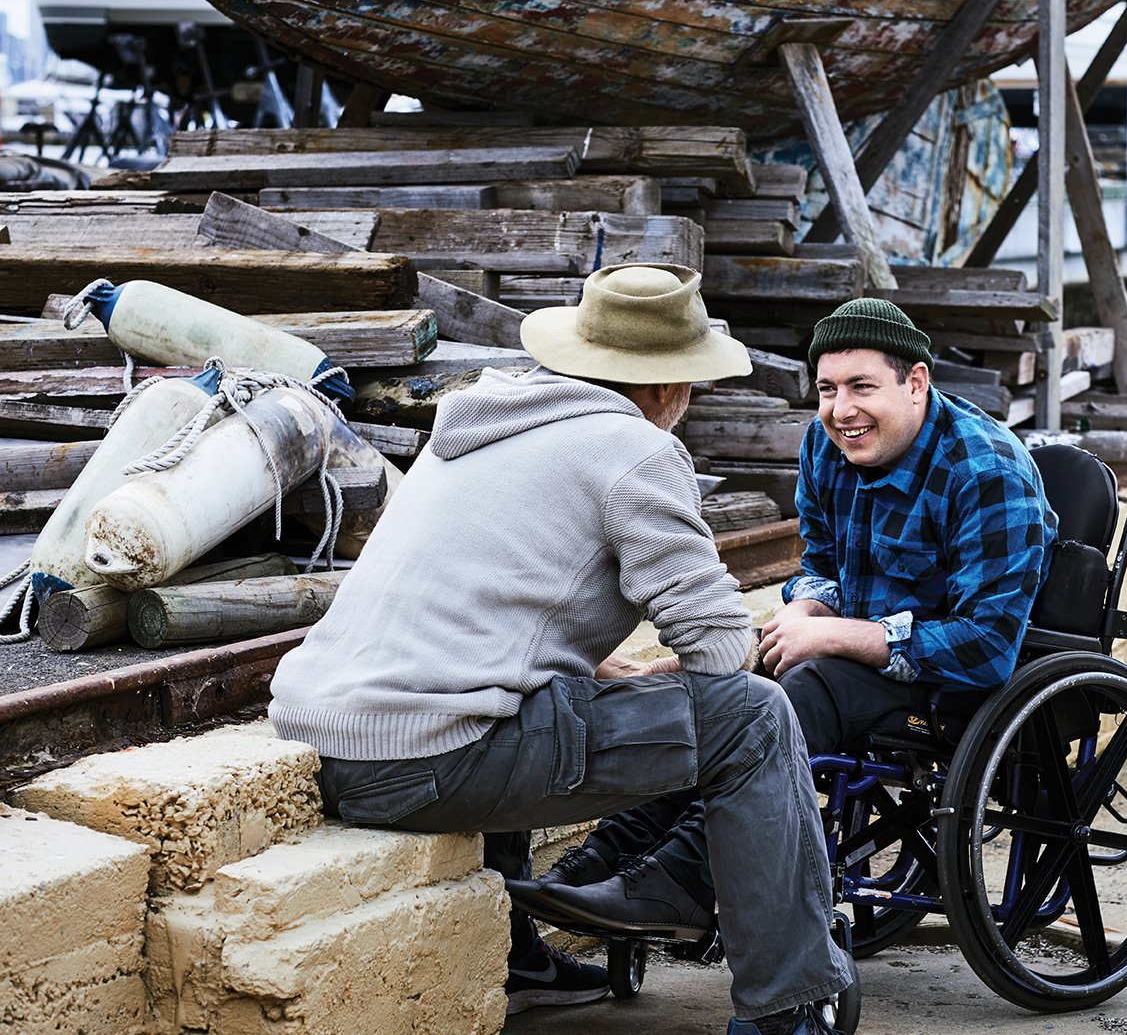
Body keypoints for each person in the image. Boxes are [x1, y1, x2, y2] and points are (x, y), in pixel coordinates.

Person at [266, 263, 854, 1035]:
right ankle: (788, 1007)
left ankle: (519, 961)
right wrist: (682, 663)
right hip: (425, 763)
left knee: (537, 693)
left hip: (330, 745)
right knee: (758, 717)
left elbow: (480, 612)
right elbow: (717, 649)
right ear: (668, 386)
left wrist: (594, 662)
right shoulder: (635, 449)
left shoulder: (474, 427)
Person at [519, 296, 1055, 947]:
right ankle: (602, 864)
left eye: (862, 386)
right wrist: (808, 604)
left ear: (916, 382)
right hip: (858, 663)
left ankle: (682, 880)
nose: (840, 409)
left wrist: (835, 635)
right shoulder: (831, 446)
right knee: (726, 689)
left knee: (788, 692)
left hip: (959, 684)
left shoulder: (986, 473)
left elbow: (988, 645)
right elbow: (822, 561)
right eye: (827, 389)